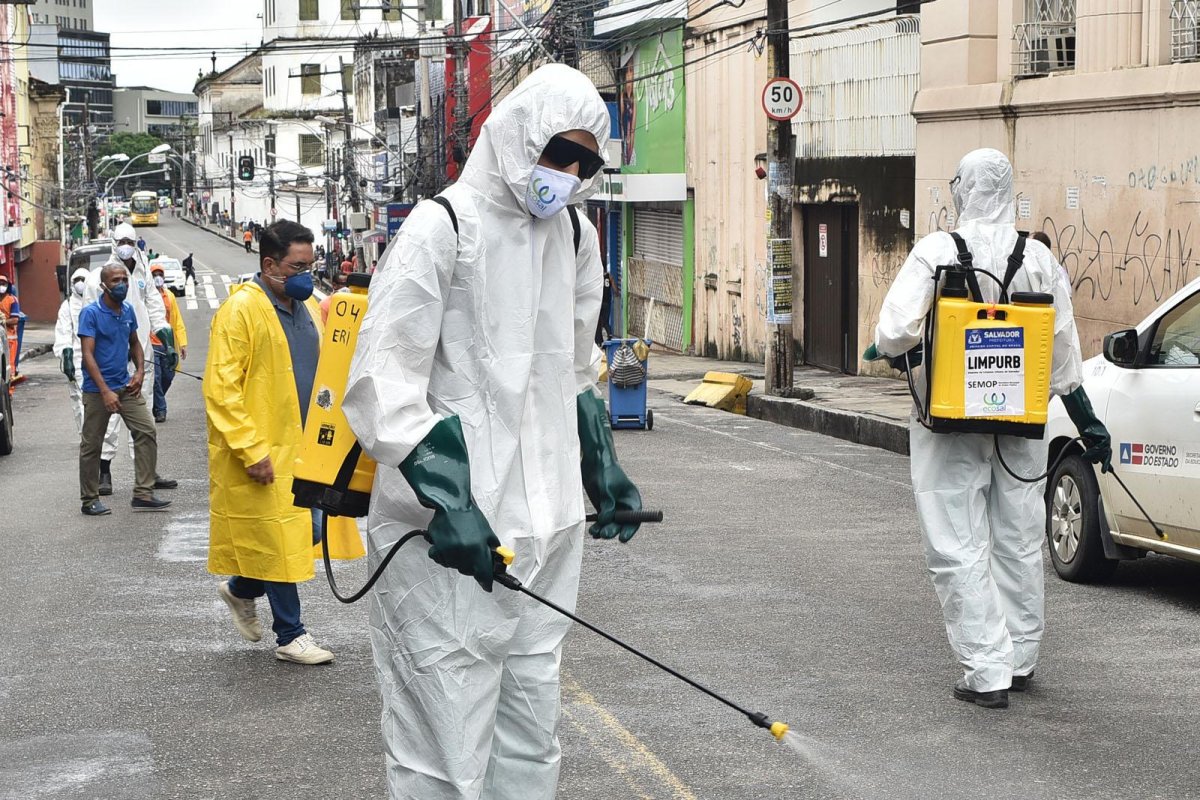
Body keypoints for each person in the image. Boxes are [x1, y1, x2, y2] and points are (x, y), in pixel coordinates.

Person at [343, 64, 643, 799]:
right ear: (516, 137)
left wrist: (602, 467)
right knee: (442, 740)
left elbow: (573, 368)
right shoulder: (440, 227)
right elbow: (384, 382)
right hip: (446, 544)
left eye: (583, 164)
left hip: (544, 533)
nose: (566, 176)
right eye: (556, 155)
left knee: (530, 735)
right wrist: (451, 500)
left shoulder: (572, 233)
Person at [871, 148, 1112, 709]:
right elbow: (1065, 356)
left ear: (963, 190)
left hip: (950, 423)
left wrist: (895, 350)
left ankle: (987, 671)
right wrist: (1087, 424)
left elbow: (893, 331)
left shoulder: (936, 251)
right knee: (1020, 539)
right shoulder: (1039, 258)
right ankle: (1021, 658)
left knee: (957, 543)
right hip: (1020, 421)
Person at [205, 219, 335, 666]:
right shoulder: (241, 311)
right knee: (282, 539)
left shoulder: (309, 306)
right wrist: (249, 448)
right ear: (269, 264)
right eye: (297, 266)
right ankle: (291, 635)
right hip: (266, 451)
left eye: (310, 264)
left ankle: (241, 588)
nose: (305, 274)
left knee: (311, 530)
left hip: (305, 448)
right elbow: (221, 388)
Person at [83, 223, 178, 496]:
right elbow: (90, 316)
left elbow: (154, 304)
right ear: (114, 242)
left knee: (143, 413)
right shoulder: (99, 278)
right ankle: (104, 471)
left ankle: (146, 473)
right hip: (110, 357)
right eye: (121, 240)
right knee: (109, 419)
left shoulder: (142, 268)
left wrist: (165, 337)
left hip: (140, 353)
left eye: (130, 240)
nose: (126, 244)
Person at [53, 268, 93, 434]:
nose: (80, 283)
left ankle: (95, 434)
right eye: (77, 280)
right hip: (76, 359)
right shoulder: (67, 306)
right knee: (78, 397)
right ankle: (85, 433)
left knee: (94, 398)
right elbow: (63, 332)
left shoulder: (95, 302)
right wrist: (66, 356)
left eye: (83, 279)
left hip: (96, 358)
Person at [149, 264, 188, 422]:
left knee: (168, 376)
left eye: (160, 274)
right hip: (151, 342)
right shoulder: (148, 297)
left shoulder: (169, 296)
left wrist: (182, 344)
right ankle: (160, 409)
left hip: (167, 344)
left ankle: (156, 401)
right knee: (156, 378)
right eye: (154, 274)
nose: (158, 277)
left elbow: (177, 321)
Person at [0, 274, 19, 378]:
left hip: (9, 339)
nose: (1, 286)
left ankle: (9, 392)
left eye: (3, 284)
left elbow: (15, 320)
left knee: (9, 365)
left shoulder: (12, 300)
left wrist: (3, 321)